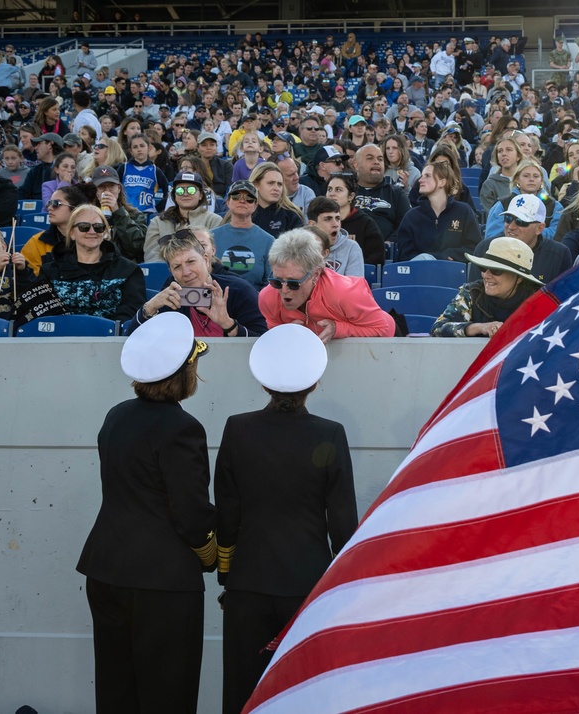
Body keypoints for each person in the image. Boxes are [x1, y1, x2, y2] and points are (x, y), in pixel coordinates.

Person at [77, 312, 216, 713]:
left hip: (106, 569)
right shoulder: (183, 428)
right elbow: (191, 515)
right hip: (163, 581)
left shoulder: (117, 414)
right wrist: (211, 555)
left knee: (117, 690)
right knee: (167, 695)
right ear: (186, 371)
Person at [215, 324, 358, 714]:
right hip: (307, 584)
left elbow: (227, 511)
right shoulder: (330, 434)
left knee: (243, 692)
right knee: (301, 691)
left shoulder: (237, 429)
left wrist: (227, 575)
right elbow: (343, 525)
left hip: (247, 581)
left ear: (264, 384)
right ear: (313, 384)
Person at [258, 228, 395, 341]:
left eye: (293, 283)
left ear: (315, 275)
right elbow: (277, 341)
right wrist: (285, 333)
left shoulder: (345, 293)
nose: (284, 290)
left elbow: (381, 328)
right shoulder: (267, 297)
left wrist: (338, 329)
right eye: (276, 281)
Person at [132, 229, 265, 337]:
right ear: (171, 271)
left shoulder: (238, 291)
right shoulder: (172, 298)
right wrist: (149, 307)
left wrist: (229, 324)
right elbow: (131, 342)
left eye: (191, 262)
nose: (186, 272)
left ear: (206, 259)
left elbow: (262, 343)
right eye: (177, 267)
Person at [36, 203, 145, 321]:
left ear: (104, 232)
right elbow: (42, 313)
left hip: (110, 337)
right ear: (72, 233)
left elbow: (132, 311)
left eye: (98, 227)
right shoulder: (50, 272)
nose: (92, 231)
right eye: (84, 226)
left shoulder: (128, 270)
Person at [431, 236, 543, 337]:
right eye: (483, 268)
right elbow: (438, 328)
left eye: (496, 270)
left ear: (519, 278)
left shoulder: (538, 299)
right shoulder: (472, 292)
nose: (486, 275)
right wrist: (481, 327)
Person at [467, 193, 572, 285]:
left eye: (521, 221)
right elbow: (474, 294)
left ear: (539, 228)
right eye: (508, 219)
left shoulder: (559, 255)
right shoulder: (485, 248)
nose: (511, 227)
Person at [397, 162, 481, 262]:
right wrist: (437, 258)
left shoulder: (464, 211)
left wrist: (448, 255)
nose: (420, 180)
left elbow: (475, 248)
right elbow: (405, 256)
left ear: (442, 182)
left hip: (456, 273)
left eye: (427, 176)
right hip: (420, 273)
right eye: (421, 176)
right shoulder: (411, 217)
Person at [144, 172, 224, 262]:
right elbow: (152, 255)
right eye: (180, 191)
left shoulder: (214, 221)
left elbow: (215, 255)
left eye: (191, 190)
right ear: (174, 195)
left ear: (201, 195)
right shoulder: (158, 222)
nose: (185, 194)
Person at [212, 180, 275, 289]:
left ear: (255, 205)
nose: (242, 201)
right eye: (236, 196)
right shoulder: (211, 236)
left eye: (249, 198)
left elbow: (270, 284)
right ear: (227, 202)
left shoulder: (268, 241)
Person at [484, 159, 564, 242]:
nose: (531, 179)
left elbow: (558, 234)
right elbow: (492, 236)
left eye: (536, 176)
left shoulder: (554, 206)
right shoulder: (502, 204)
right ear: (517, 179)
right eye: (526, 176)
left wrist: (526, 231)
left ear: (541, 181)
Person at [22, 184, 90, 274]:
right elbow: (32, 281)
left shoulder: (91, 239)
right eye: (49, 203)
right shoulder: (37, 243)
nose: (50, 208)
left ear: (75, 209)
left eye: (56, 204)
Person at [352, 143, 411, 246]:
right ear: (356, 165)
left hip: (385, 254)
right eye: (370, 158)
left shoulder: (396, 194)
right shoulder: (346, 191)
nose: (376, 162)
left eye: (380, 159)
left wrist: (389, 243)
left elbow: (406, 225)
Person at [325, 172, 384, 265]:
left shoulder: (366, 223)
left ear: (351, 196)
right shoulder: (320, 221)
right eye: (329, 189)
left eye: (338, 190)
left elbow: (376, 259)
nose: (332, 194)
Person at [92, 165, 148, 263]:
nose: (107, 191)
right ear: (95, 191)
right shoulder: (88, 216)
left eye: (111, 186)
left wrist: (119, 213)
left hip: (125, 266)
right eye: (101, 187)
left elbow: (138, 247)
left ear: (119, 188)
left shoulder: (135, 215)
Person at [306, 196, 364, 277]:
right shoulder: (300, 248)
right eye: (328, 219)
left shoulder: (351, 248)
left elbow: (355, 286)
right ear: (312, 224)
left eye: (337, 219)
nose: (336, 224)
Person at [250, 161, 305, 238]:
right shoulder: (244, 213)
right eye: (271, 183)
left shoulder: (291, 215)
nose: (276, 188)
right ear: (256, 185)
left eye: (279, 184)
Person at [119, 133, 169, 214]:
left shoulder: (155, 170)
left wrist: (157, 208)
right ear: (131, 151)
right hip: (126, 212)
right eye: (135, 147)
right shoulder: (123, 168)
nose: (139, 149)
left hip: (147, 213)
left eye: (142, 146)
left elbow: (167, 192)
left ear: (149, 148)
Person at [479, 136, 521, 212]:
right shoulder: (489, 185)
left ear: (518, 156)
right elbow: (492, 215)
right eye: (500, 151)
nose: (504, 154)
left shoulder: (527, 180)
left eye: (509, 150)